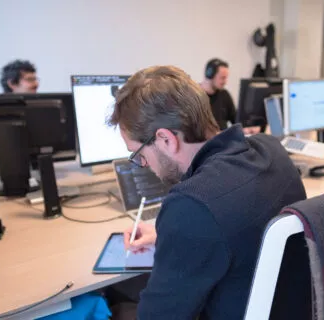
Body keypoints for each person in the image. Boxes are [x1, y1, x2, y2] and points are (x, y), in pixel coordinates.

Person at [107, 65, 306, 319]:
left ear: (166, 139)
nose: (143, 165)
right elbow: (237, 226)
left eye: (139, 155)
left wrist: (180, 228)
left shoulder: (191, 205)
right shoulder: (271, 150)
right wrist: (169, 235)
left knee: (113, 301)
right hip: (294, 309)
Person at [199, 58, 236, 130]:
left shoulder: (224, 94)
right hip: (205, 140)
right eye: (223, 78)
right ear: (209, 74)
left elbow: (236, 121)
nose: (225, 82)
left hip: (223, 139)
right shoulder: (194, 95)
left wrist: (248, 127)